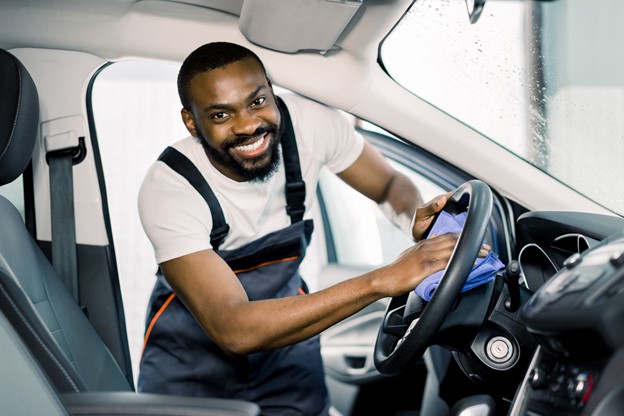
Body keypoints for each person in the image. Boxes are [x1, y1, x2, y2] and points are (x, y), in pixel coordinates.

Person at [137, 41, 488, 415]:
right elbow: (232, 327)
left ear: (272, 92)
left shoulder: (312, 125)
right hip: (191, 371)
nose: (248, 126)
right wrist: (381, 280)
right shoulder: (171, 187)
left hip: (290, 360)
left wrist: (416, 221)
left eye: (257, 102)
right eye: (221, 115)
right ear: (192, 122)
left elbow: (388, 186)